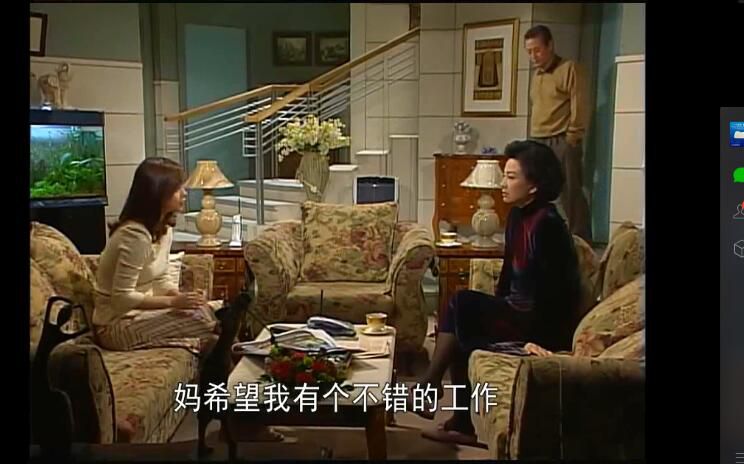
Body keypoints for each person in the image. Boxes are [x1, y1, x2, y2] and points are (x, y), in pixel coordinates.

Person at [413, 140, 582, 446]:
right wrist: (494, 307)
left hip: (538, 326)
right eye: (505, 175)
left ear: (534, 185)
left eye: (511, 177)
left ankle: (438, 394)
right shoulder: (517, 216)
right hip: (513, 312)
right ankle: (451, 409)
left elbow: (561, 294)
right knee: (461, 314)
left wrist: (540, 341)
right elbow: (507, 276)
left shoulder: (549, 225)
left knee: (461, 306)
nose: (503, 184)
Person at [525, 24, 593, 242]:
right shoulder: (537, 75)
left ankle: (581, 242)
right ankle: (543, 237)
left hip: (562, 138)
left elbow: (580, 103)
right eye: (529, 52)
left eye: (537, 50)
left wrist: (573, 135)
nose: (533, 56)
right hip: (538, 139)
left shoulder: (569, 68)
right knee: (537, 191)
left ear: (550, 46)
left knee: (570, 192)